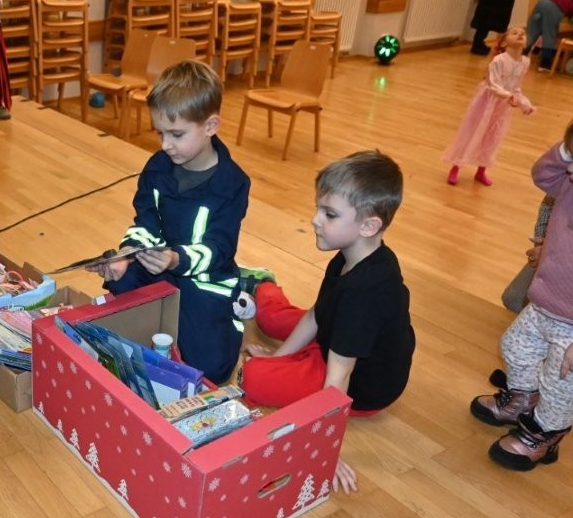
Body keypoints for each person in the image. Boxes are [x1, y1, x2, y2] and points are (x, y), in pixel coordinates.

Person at [89, 60, 252, 384]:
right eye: (160, 133)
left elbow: (219, 248)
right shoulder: (157, 167)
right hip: (159, 265)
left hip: (204, 278)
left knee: (212, 369)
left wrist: (177, 259)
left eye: (176, 134)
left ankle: (244, 293)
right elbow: (145, 223)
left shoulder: (232, 183)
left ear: (210, 125)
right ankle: (154, 323)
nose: (165, 144)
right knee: (121, 279)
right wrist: (126, 255)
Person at [240, 151, 415, 415]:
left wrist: (327, 433)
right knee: (271, 320)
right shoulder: (351, 254)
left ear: (368, 227)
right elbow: (316, 314)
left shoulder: (364, 292)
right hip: (333, 339)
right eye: (318, 209)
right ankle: (262, 283)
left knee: (254, 377)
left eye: (329, 214)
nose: (315, 219)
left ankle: (285, 355)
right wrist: (278, 358)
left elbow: (340, 374)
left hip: (355, 384)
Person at [470, 123, 573, 470]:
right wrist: (565, 150)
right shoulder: (568, 182)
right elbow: (543, 175)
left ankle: (546, 432)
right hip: (544, 303)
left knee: (561, 385)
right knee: (514, 346)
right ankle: (523, 400)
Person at [442, 26, 535, 186]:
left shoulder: (525, 62)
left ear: (526, 43)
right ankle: (456, 167)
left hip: (502, 106)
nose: (520, 34)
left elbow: (516, 87)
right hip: (486, 103)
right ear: (504, 43)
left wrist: (524, 103)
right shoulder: (499, 60)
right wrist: (508, 96)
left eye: (522, 33)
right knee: (473, 132)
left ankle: (481, 171)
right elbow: (493, 84)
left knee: (493, 136)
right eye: (514, 33)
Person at [500, 195, 553, 312]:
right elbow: (547, 205)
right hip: (552, 250)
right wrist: (542, 245)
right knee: (513, 299)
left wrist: (551, 252)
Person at [524, 0, 573, 71]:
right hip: (557, 5)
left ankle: (518, 57)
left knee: (532, 31)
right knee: (549, 34)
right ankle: (545, 64)